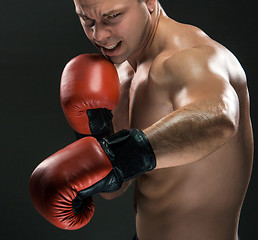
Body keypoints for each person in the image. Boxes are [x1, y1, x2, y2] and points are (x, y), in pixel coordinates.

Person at [29, 0, 253, 239]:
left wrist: (122, 154)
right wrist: (95, 135)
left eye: (112, 16)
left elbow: (219, 118)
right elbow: (114, 188)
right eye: (87, 20)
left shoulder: (190, 58)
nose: (99, 35)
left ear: (148, 2)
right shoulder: (124, 71)